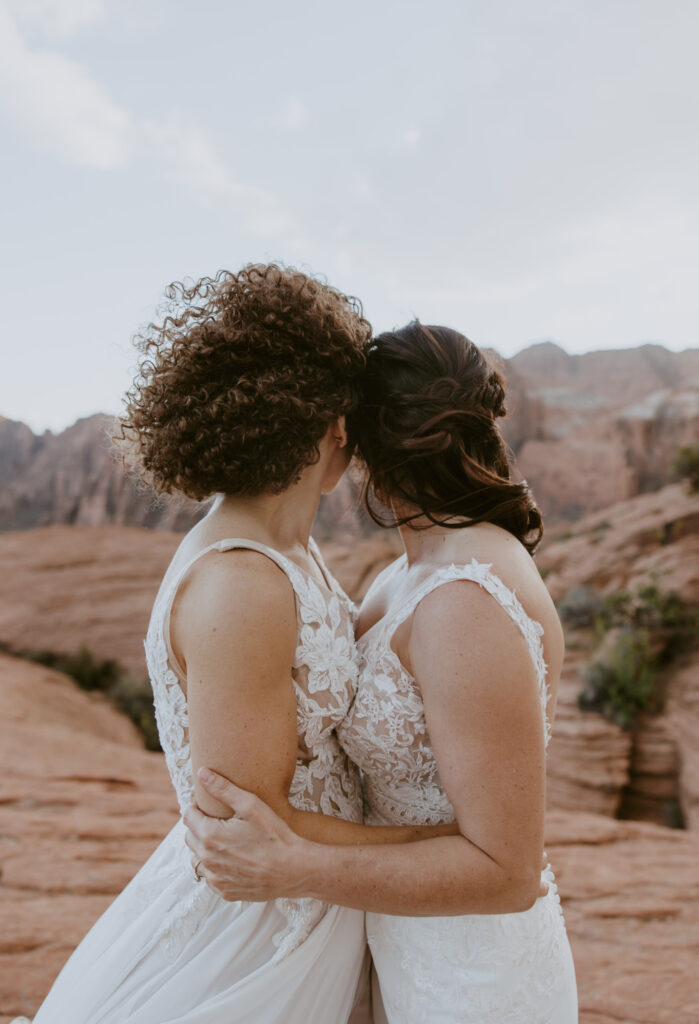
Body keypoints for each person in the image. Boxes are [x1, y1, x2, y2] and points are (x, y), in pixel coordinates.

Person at [18, 272, 458, 1024]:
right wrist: (439, 844)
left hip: (321, 903)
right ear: (333, 424)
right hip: (252, 941)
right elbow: (256, 823)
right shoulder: (242, 585)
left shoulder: (290, 549)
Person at [184, 322, 579, 1023]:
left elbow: (508, 872)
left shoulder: (463, 602)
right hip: (400, 940)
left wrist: (292, 864)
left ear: (357, 437)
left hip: (470, 979)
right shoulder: (409, 570)